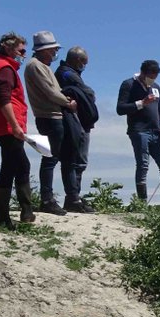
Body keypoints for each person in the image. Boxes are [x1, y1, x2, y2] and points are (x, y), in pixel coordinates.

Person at [0, 32, 35, 228]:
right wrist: (15, 125)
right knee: (15, 166)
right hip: (6, 125)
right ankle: (4, 215)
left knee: (16, 165)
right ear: (9, 49)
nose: (24, 54)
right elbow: (4, 100)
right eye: (21, 50)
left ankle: (24, 212)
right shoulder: (4, 69)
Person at [23, 31, 77, 215]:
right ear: (44, 50)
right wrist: (68, 102)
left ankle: (56, 198)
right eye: (53, 49)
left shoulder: (41, 65)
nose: (55, 52)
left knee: (57, 156)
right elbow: (50, 92)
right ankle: (47, 199)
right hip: (48, 116)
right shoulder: (35, 66)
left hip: (53, 115)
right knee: (50, 157)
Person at [118, 60, 160, 209]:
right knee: (143, 165)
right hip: (139, 131)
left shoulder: (156, 87)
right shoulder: (128, 84)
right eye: (150, 76)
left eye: (155, 76)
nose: (153, 79)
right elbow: (120, 108)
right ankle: (142, 204)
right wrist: (141, 103)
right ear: (142, 72)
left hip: (156, 131)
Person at [55, 46, 99, 212]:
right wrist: (87, 94)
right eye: (84, 63)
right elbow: (87, 92)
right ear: (77, 60)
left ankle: (75, 197)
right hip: (73, 121)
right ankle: (72, 198)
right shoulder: (65, 73)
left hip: (82, 121)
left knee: (80, 161)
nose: (84, 66)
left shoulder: (72, 74)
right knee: (73, 161)